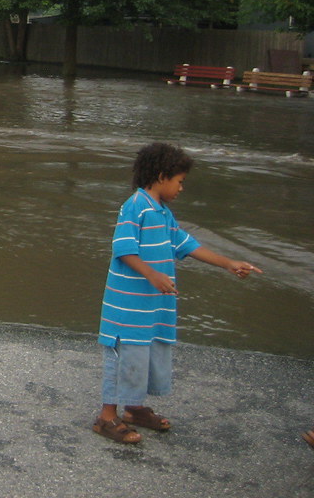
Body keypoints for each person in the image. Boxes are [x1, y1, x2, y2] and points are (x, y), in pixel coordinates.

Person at [93, 142, 262, 444]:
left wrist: (228, 264)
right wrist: (152, 273)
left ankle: (134, 408)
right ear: (161, 176)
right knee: (126, 356)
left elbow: (187, 245)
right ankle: (106, 417)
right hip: (129, 307)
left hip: (152, 307)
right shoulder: (136, 205)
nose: (181, 188)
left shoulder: (164, 213)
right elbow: (123, 248)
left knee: (145, 355)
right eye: (180, 181)